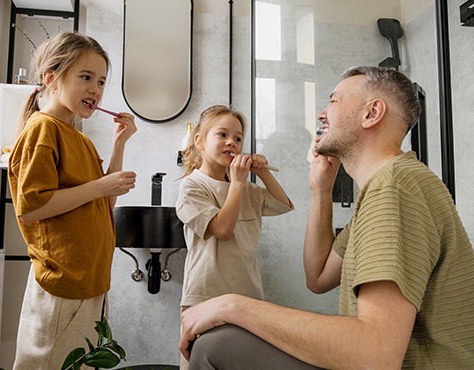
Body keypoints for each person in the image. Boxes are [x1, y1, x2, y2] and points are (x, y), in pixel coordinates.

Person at [179, 67, 474, 369]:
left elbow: (377, 354)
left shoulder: (394, 188)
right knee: (218, 342)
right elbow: (318, 277)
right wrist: (321, 190)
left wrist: (232, 305)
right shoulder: (382, 189)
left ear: (372, 113)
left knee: (214, 346)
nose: (322, 114)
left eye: (334, 101)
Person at [8, 32, 137, 369]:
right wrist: (100, 186)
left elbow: (104, 205)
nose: (96, 89)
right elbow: (33, 208)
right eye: (85, 77)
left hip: (89, 280)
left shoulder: (82, 141)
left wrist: (119, 145)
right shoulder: (43, 129)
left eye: (101, 81)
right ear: (51, 78)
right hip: (63, 281)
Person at [176, 104, 294, 369]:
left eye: (238, 138)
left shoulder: (247, 189)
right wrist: (238, 182)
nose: (232, 142)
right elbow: (222, 230)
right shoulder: (192, 186)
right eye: (222, 135)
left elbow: (284, 205)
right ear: (199, 141)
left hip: (247, 297)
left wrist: (262, 173)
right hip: (205, 297)